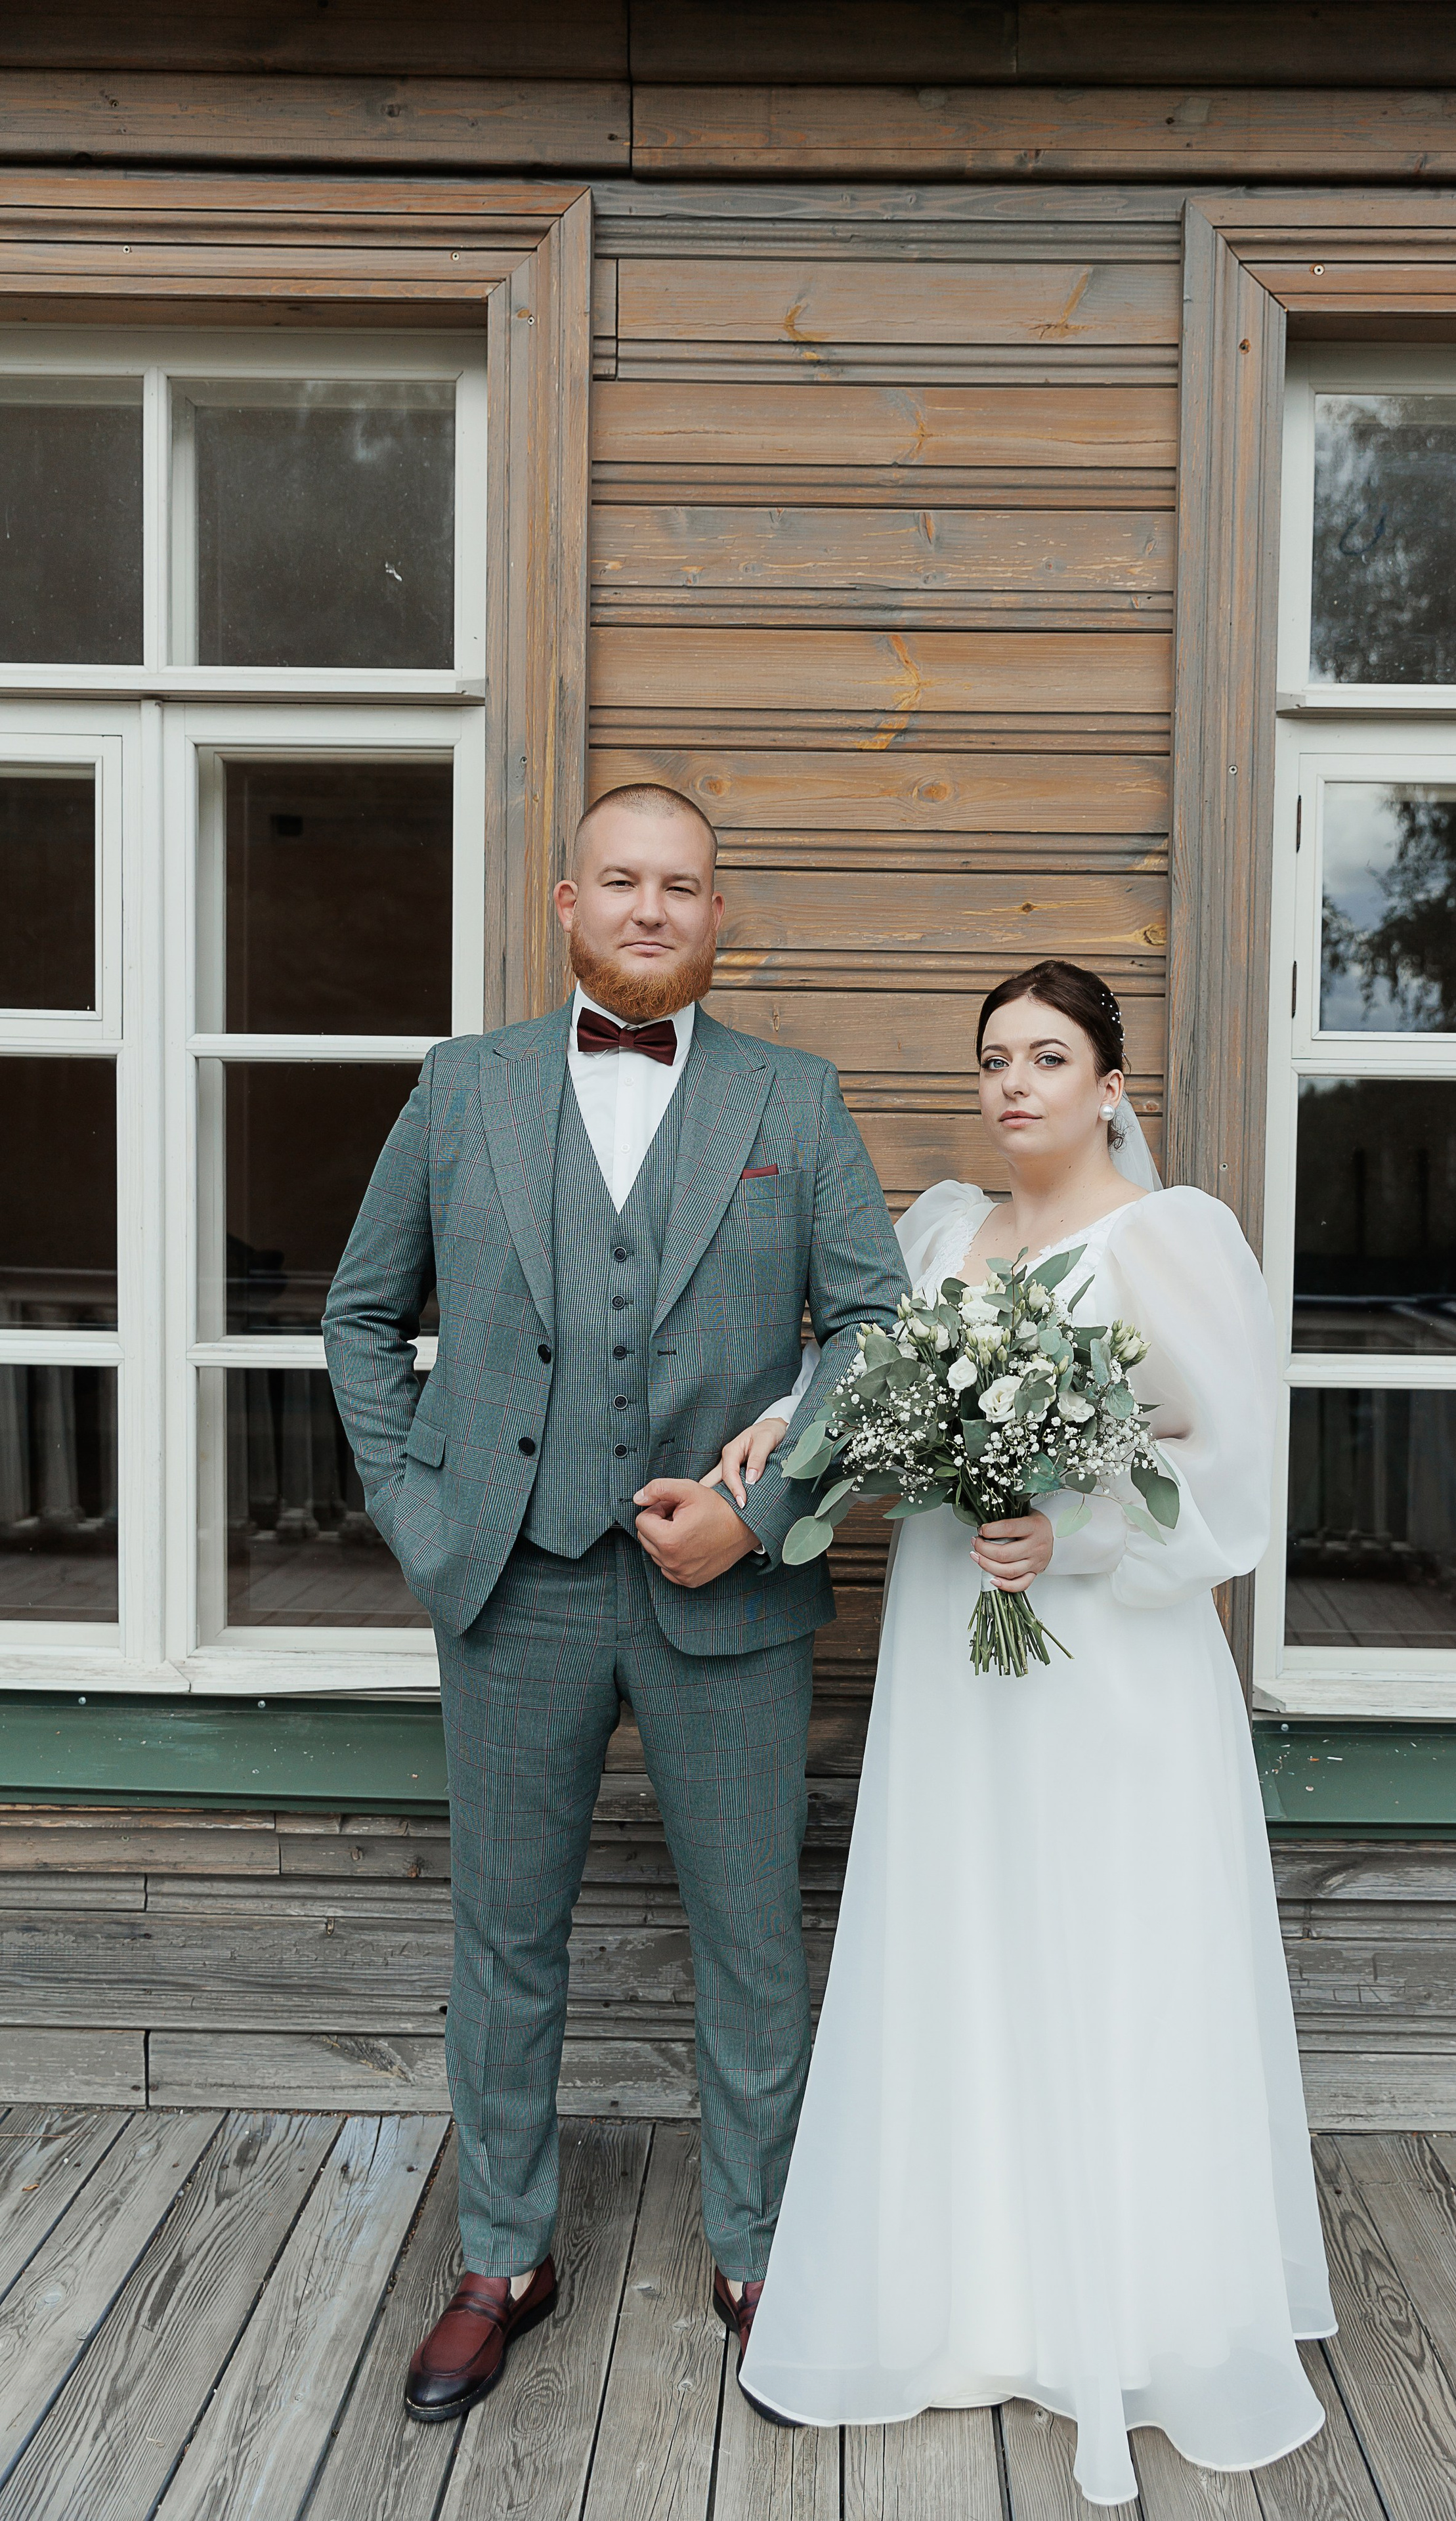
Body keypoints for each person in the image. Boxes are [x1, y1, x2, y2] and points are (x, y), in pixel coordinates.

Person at [714, 959, 1335, 2507]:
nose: (1013, 1083)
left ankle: (1130, 2302)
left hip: (1103, 1659)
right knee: (961, 1930)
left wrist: (1083, 1534)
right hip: (955, 1639)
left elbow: (1232, 1472)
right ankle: (965, 2293)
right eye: (993, 1058)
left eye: (1048, 1057)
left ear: (1110, 1084)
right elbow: (862, 1384)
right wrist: (795, 1425)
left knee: (1102, 1940)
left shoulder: (1168, 1238)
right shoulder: (938, 1235)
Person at [322, 783, 907, 2423]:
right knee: (504, 1937)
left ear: (719, 918)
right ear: (563, 900)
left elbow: (871, 1325)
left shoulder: (796, 1096)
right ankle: (502, 2256)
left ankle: (759, 2251)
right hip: (508, 1589)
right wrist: (426, 1517)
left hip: (728, 1600)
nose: (653, 910)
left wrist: (764, 1505)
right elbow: (361, 1319)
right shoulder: (461, 1089)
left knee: (749, 1937)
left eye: (686, 887)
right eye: (623, 882)